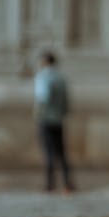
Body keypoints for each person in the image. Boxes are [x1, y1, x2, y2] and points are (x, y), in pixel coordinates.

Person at [34, 51, 73, 193]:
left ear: (44, 62)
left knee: (49, 152)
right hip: (59, 119)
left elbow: (42, 98)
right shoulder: (61, 78)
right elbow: (67, 101)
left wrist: (39, 114)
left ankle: (50, 184)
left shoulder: (43, 77)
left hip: (46, 119)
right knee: (62, 153)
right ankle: (68, 183)